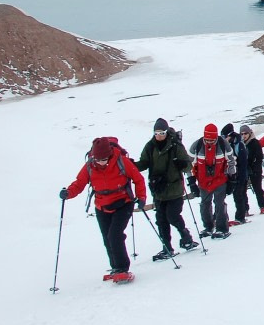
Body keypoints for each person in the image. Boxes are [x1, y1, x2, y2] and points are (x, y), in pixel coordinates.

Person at [59, 136, 147, 282]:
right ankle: (115, 267)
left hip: (123, 202)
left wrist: (141, 197)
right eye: (98, 159)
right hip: (102, 205)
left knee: (114, 234)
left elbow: (138, 179)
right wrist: (68, 193)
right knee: (107, 237)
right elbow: (79, 184)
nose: (101, 162)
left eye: (104, 159)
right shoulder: (90, 165)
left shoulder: (121, 161)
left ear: (110, 154)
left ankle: (122, 268)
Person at [134, 118, 197, 260]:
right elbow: (144, 163)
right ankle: (167, 247)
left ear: (166, 132)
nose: (159, 135)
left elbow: (189, 166)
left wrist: (182, 164)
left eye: (162, 132)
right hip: (159, 190)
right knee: (161, 220)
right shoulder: (150, 147)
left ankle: (186, 237)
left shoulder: (175, 146)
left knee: (173, 216)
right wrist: (131, 166)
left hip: (174, 189)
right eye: (156, 133)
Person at [188, 123, 235, 239]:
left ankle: (221, 228)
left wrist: (232, 178)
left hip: (220, 180)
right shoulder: (197, 146)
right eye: (207, 139)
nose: (209, 142)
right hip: (203, 181)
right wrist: (191, 181)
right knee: (205, 204)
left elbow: (231, 162)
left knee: (219, 203)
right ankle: (208, 227)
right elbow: (188, 164)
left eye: (212, 140)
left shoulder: (224, 145)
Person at [221, 124, 250, 225]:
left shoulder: (239, 145)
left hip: (240, 175)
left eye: (225, 137)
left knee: (239, 195)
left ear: (230, 135)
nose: (224, 139)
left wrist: (241, 178)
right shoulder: (227, 145)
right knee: (222, 197)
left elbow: (243, 163)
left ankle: (240, 217)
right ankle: (222, 218)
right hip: (230, 175)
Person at [239, 125, 264, 214]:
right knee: (242, 190)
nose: (244, 135)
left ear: (249, 133)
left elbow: (259, 157)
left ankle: (263, 206)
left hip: (255, 169)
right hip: (244, 170)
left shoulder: (255, 143)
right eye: (242, 134)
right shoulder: (240, 144)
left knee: (257, 188)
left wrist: (254, 166)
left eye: (245, 133)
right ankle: (245, 209)